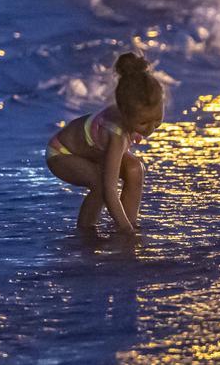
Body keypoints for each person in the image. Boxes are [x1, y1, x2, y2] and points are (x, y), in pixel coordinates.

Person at [45, 52, 164, 235]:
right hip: (62, 153)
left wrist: (127, 226)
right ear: (124, 114)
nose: (150, 129)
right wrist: (127, 231)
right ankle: (86, 232)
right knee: (101, 183)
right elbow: (110, 190)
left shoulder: (135, 113)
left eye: (156, 120)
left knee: (135, 169)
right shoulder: (115, 133)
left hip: (93, 152)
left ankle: (129, 222)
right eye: (143, 123)